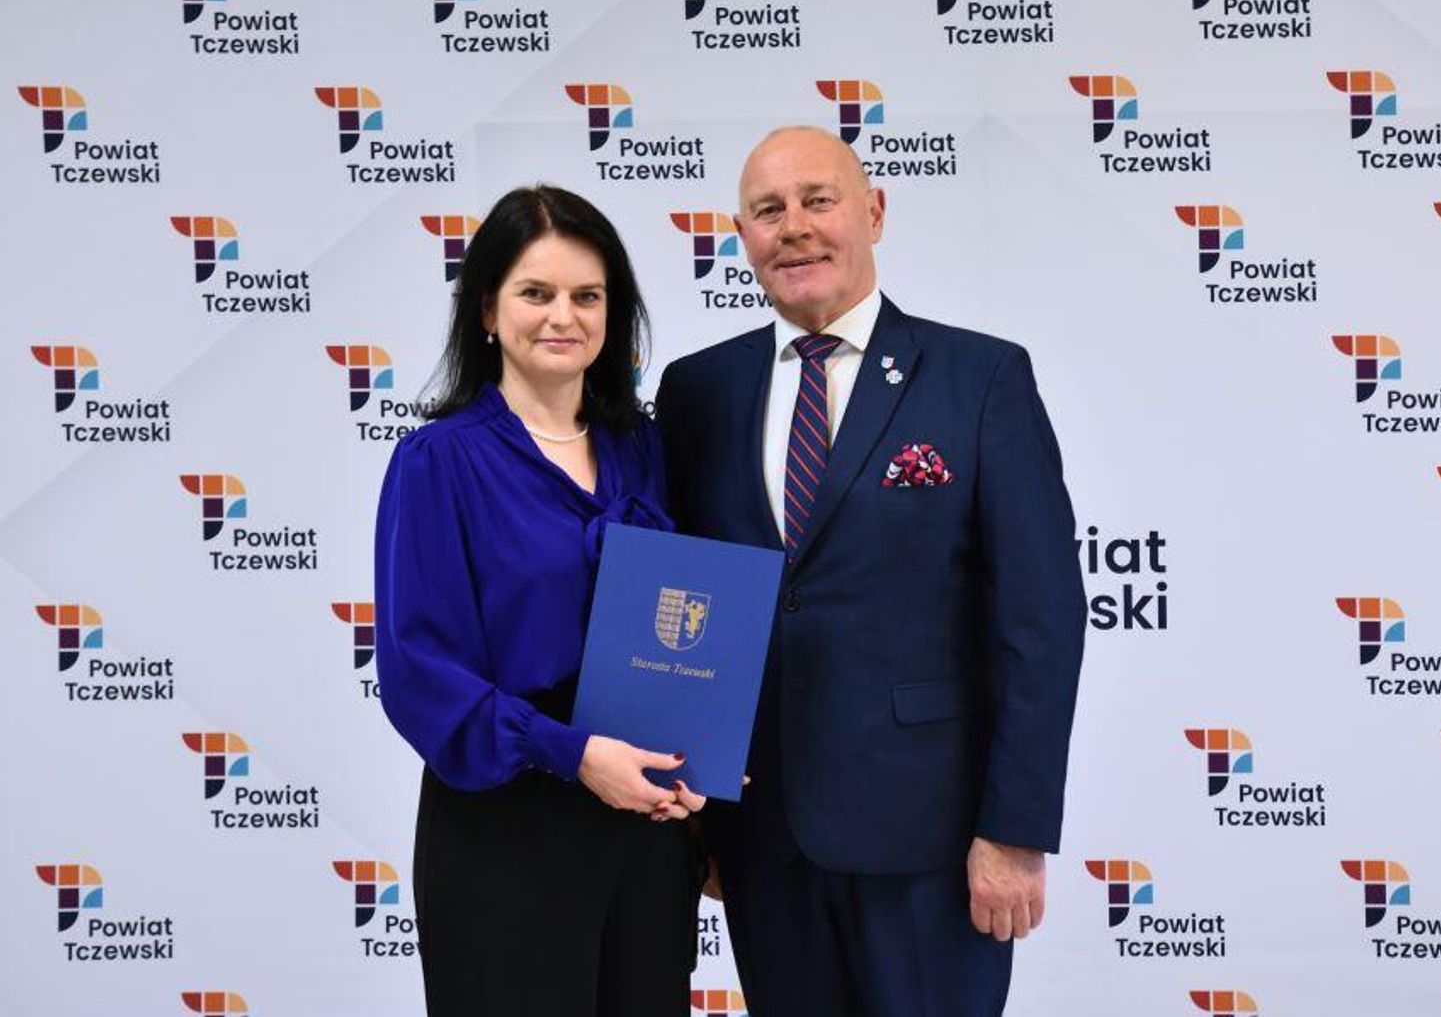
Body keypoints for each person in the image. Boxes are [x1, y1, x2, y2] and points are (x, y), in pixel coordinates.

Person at [655, 127, 1086, 1015]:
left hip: (933, 843)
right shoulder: (696, 392)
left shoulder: (981, 378)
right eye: (768, 210)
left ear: (875, 212)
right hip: (763, 842)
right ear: (742, 237)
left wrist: (1014, 830)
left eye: (819, 200)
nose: (794, 227)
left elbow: (1040, 622)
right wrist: (695, 817)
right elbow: (684, 602)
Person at [374, 185, 705, 1016]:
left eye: (587, 296)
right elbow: (418, 671)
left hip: (645, 828)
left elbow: (688, 623)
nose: (564, 316)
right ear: (488, 310)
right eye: (536, 292)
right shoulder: (437, 462)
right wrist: (570, 752)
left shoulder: (646, 449)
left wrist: (699, 754)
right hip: (507, 821)